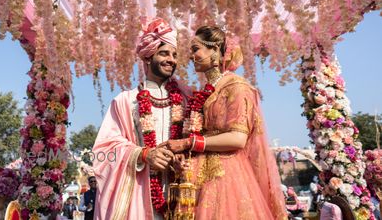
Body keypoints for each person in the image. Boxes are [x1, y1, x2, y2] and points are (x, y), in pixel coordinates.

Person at [163, 26, 287, 219]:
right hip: (199, 176)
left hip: (226, 176)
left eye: (196, 49)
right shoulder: (207, 90)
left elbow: (238, 138)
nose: (191, 56)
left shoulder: (236, 86)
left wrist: (189, 143)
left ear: (215, 50)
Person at [92, 18, 190, 219]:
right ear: (148, 57)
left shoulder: (188, 100)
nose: (171, 59)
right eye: (164, 53)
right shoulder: (125, 101)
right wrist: (143, 154)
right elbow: (102, 153)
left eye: (174, 55)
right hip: (138, 199)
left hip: (183, 199)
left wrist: (185, 159)